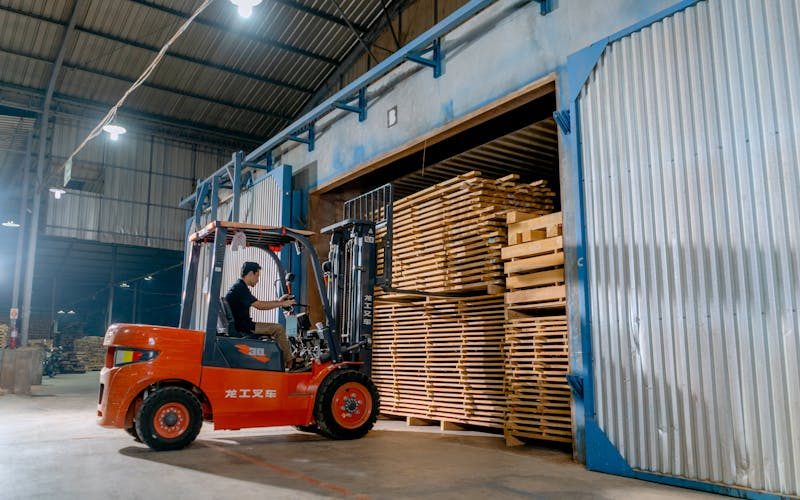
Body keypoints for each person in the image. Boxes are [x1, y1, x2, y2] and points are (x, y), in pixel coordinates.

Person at [224, 261, 296, 369]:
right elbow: (260, 305)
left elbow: (258, 303)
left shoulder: (238, 287)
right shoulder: (240, 289)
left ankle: (281, 360)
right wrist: (282, 303)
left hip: (242, 324)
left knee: (276, 330)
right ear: (250, 274)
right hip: (245, 327)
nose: (258, 280)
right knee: (278, 329)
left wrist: (279, 301)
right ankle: (290, 362)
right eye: (257, 276)